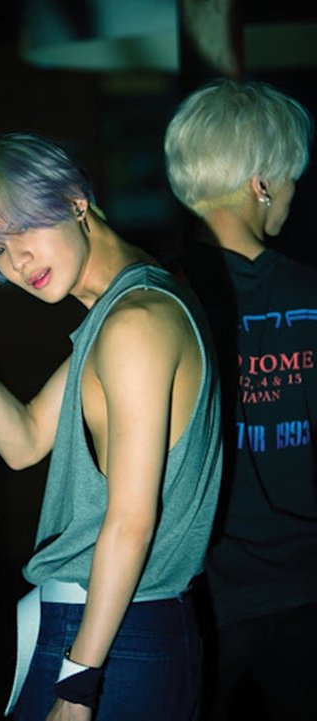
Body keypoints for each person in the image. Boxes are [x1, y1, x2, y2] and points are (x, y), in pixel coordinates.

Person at [0, 131, 222, 721]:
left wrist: (78, 685)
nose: (16, 261)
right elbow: (25, 442)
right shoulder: (122, 310)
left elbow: (131, 522)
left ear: (77, 201)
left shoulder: (135, 321)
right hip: (107, 629)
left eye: (23, 229)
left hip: (115, 636)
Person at [164, 78, 317, 721]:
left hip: (198, 593)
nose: (293, 193)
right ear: (261, 184)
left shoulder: (156, 301)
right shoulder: (310, 292)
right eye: (290, 179)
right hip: (307, 588)